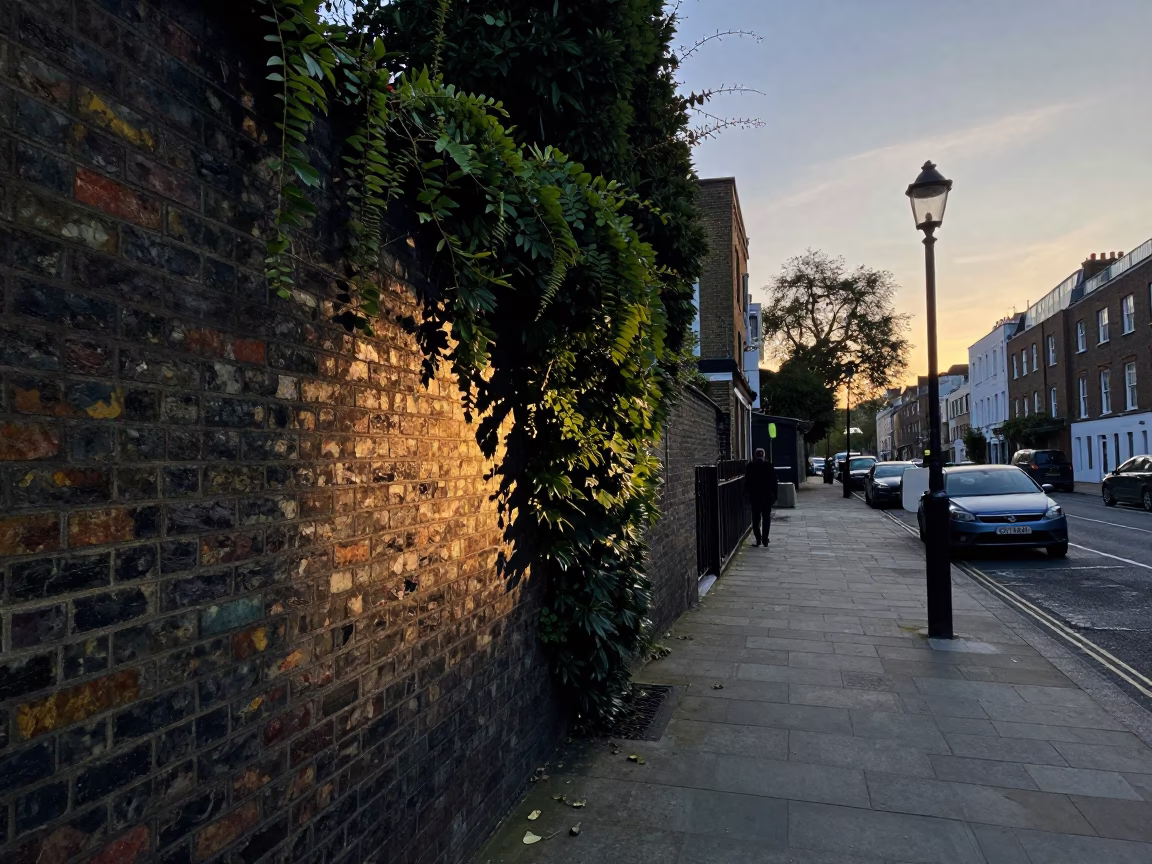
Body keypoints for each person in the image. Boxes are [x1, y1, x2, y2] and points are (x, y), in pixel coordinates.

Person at [744, 448, 779, 547]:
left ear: (755, 456)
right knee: (766, 518)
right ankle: (765, 539)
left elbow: (747, 482)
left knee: (755, 519)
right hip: (767, 497)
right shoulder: (769, 466)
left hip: (755, 497)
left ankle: (758, 538)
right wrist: (775, 495)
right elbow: (774, 482)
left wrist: (746, 493)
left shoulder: (750, 466)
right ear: (763, 455)